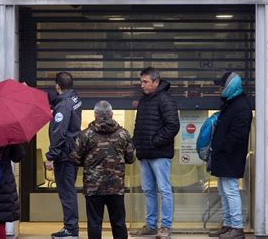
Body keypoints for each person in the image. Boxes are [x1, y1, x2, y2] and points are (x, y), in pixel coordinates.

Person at [70, 101, 135, 239]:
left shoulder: (85, 135)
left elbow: (75, 158)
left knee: (94, 223)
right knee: (118, 222)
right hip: (116, 187)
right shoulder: (123, 134)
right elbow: (130, 158)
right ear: (111, 114)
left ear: (95, 114)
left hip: (93, 188)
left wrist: (89, 163)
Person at [131, 67, 180, 238]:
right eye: (141, 81)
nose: (142, 85)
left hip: (159, 154)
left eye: (145, 82)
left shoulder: (165, 99)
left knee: (164, 190)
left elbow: (173, 125)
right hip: (145, 154)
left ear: (156, 82)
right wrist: (136, 143)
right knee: (149, 190)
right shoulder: (144, 100)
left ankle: (165, 227)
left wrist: (154, 142)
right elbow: (139, 126)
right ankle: (151, 225)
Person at [209, 72, 252, 239]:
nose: (220, 88)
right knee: (223, 191)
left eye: (222, 85)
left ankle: (237, 228)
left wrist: (223, 147)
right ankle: (228, 225)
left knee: (231, 191)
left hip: (231, 157)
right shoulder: (231, 103)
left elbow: (238, 134)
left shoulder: (241, 106)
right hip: (224, 156)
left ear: (230, 85)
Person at [45, 72, 82, 238]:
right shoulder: (74, 98)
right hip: (72, 152)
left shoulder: (63, 106)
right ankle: (71, 227)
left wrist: (51, 156)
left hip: (64, 155)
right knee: (69, 191)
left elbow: (59, 133)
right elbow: (55, 98)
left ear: (57, 86)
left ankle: (71, 229)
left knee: (67, 193)